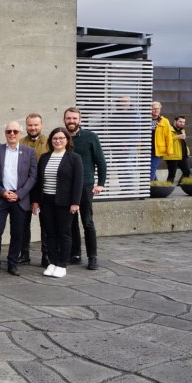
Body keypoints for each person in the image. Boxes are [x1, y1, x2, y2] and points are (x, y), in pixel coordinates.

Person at [0, 120, 37, 276]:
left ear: (20, 133)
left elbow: (33, 176)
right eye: (9, 131)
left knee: (18, 233)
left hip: (20, 199)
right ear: (5, 133)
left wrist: (19, 194)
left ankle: (12, 263)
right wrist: (2, 192)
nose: (12, 134)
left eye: (15, 131)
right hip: (0, 197)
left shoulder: (29, 152)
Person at [31, 128, 83, 279]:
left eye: (61, 138)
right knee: (50, 233)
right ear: (50, 140)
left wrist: (75, 202)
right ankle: (52, 262)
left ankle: (62, 264)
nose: (58, 141)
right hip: (46, 201)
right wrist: (35, 201)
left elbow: (78, 182)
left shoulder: (74, 158)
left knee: (64, 233)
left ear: (67, 140)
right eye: (55, 138)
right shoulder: (45, 157)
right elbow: (39, 181)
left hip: (65, 203)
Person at [65, 107, 107, 270]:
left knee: (87, 222)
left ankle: (92, 257)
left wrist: (101, 183)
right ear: (65, 120)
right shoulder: (62, 138)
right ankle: (75, 254)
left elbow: (101, 162)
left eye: (74, 118)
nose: (71, 121)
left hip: (86, 186)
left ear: (79, 120)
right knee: (71, 222)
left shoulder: (90, 137)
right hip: (68, 187)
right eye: (68, 118)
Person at [19, 113, 49, 266]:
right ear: (26, 126)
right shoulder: (20, 142)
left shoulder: (49, 142)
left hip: (43, 188)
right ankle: (24, 254)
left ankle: (46, 255)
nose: (33, 127)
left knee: (45, 223)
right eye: (30, 125)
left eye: (36, 125)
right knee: (23, 223)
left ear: (41, 125)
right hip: (25, 188)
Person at [152, 102, 175, 181]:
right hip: (146, 149)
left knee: (151, 169)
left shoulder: (164, 121)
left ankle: (149, 188)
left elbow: (168, 136)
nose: (156, 110)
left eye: (157, 109)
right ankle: (156, 186)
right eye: (154, 109)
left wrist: (169, 150)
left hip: (158, 150)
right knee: (150, 170)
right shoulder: (145, 120)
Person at [163, 116, 191, 184]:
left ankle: (184, 186)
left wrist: (187, 149)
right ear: (175, 121)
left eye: (184, 122)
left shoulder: (182, 130)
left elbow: (182, 142)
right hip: (172, 155)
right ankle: (167, 189)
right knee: (172, 174)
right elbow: (165, 141)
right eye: (180, 122)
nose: (182, 123)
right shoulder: (169, 129)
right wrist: (177, 137)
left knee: (187, 172)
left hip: (182, 155)